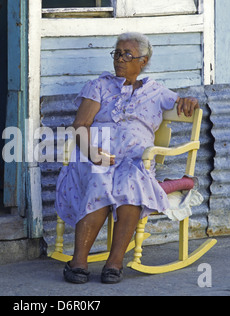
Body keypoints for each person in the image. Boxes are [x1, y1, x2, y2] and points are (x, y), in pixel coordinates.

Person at [55, 32, 199, 284]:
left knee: (133, 184)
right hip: (94, 155)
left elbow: (182, 102)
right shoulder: (98, 86)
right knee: (100, 180)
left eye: (127, 55)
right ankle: (78, 262)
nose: (119, 59)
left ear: (143, 61)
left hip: (134, 160)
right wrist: (92, 153)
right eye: (117, 53)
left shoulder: (157, 91)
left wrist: (189, 99)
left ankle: (115, 262)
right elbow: (80, 125)